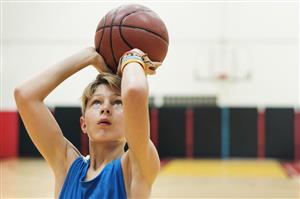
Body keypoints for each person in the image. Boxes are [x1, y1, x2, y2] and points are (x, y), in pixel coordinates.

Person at [14, 47, 161, 198]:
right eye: (97, 102)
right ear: (83, 123)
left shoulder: (134, 167)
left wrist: (132, 56)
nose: (105, 108)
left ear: (129, 122)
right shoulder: (68, 168)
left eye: (117, 102)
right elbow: (25, 95)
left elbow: (134, 91)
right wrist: (90, 56)